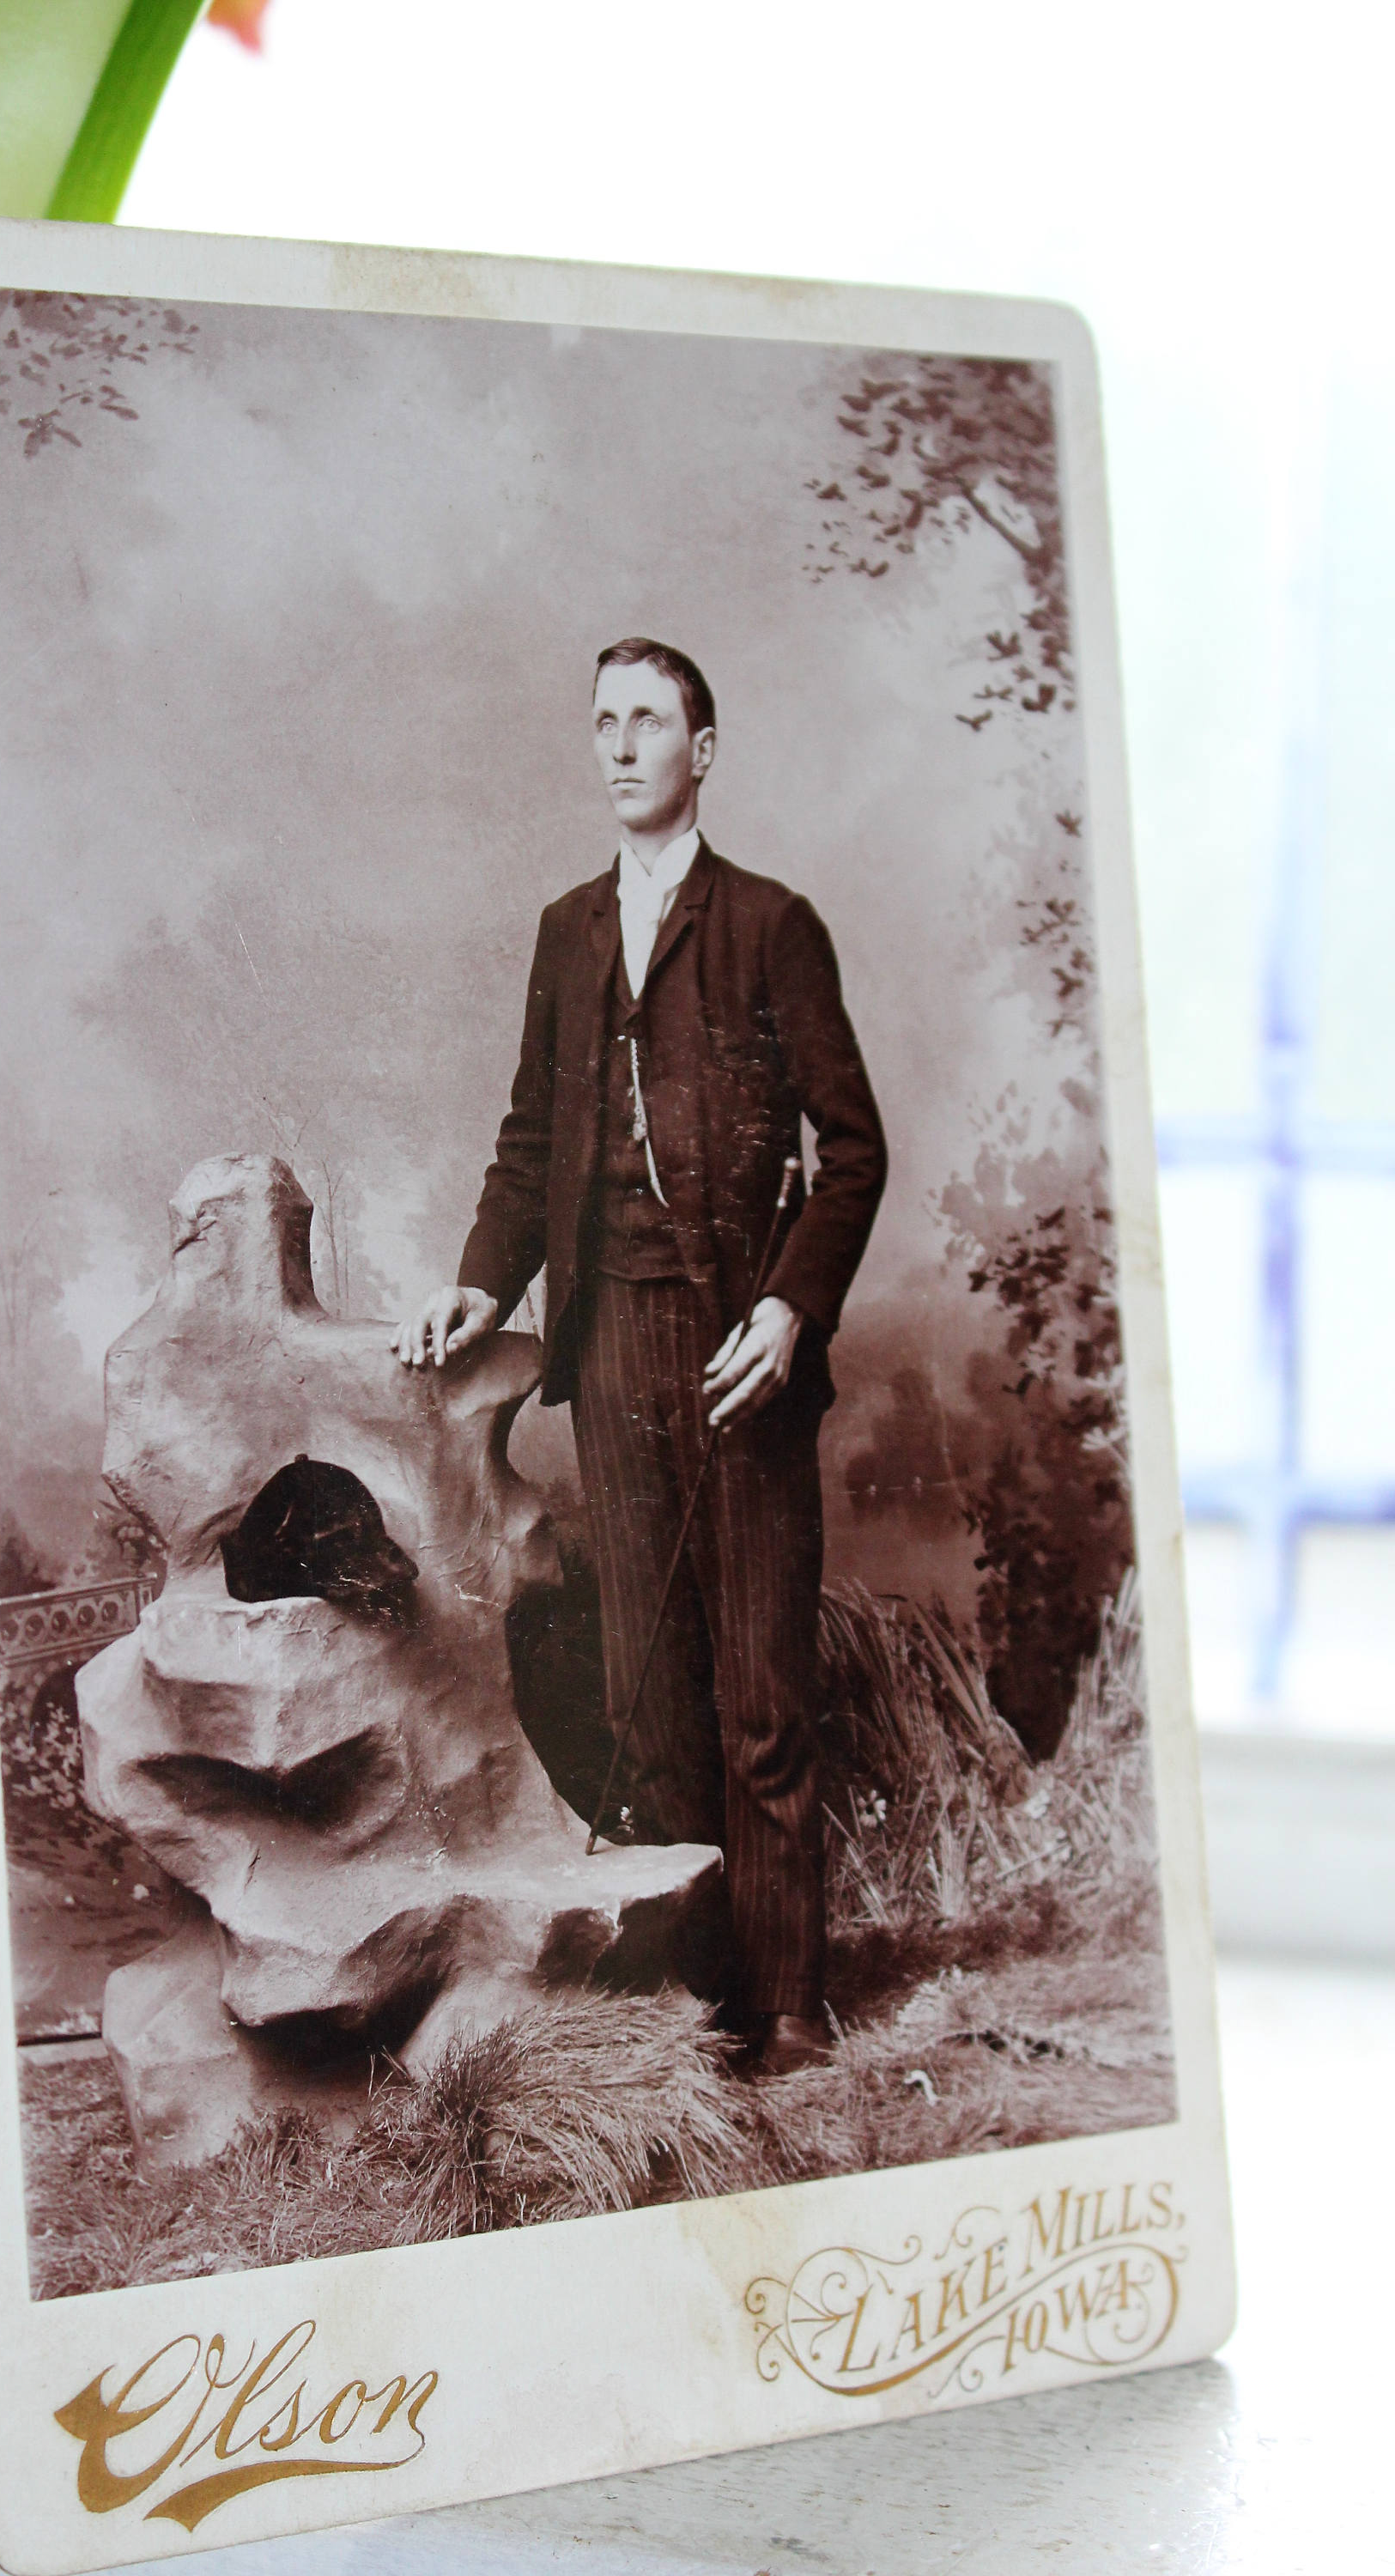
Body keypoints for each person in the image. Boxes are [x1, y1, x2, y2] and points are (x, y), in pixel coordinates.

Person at [394, 639, 886, 2075]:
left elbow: (852, 1150)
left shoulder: (771, 925)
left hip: (739, 1351)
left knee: (762, 1690)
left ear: (702, 750)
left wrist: (790, 1313)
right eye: (602, 720)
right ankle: (702, 2006)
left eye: (649, 721)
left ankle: (790, 2007)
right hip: (610, 1346)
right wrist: (480, 1283)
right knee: (648, 1694)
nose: (619, 745)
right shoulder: (567, 931)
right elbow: (529, 1143)